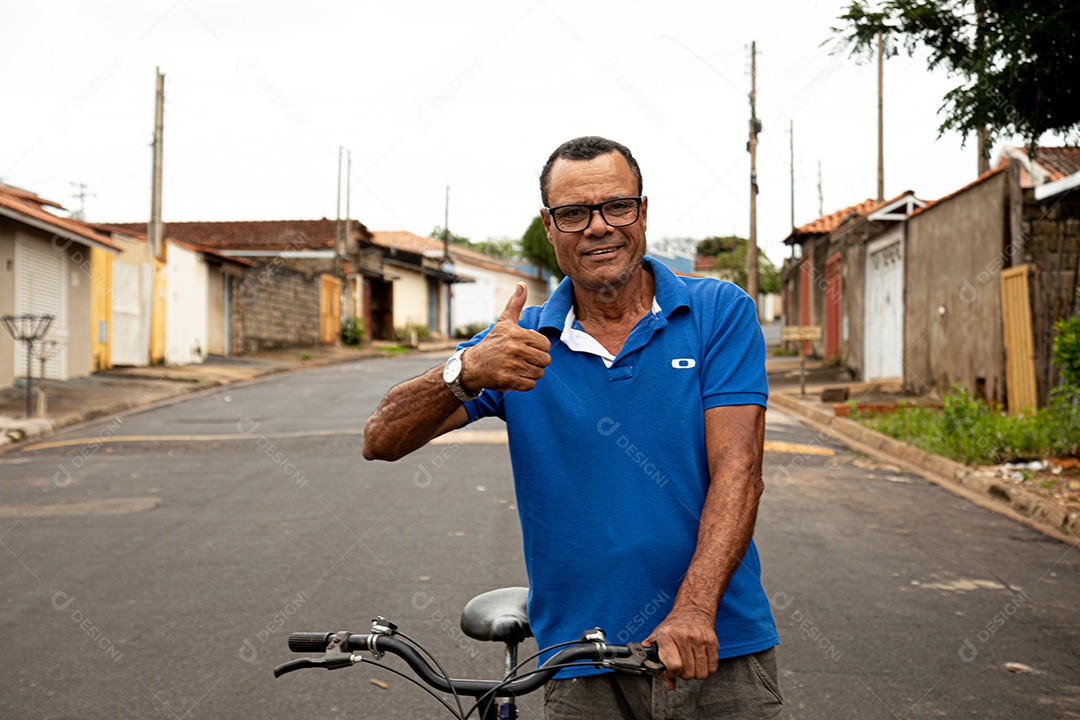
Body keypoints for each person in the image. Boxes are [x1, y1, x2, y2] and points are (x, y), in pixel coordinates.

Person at [363, 136, 781, 718]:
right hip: (579, 661)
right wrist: (465, 370)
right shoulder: (520, 342)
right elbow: (381, 439)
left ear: (642, 212)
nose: (599, 226)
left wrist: (693, 609)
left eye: (617, 206)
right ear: (550, 226)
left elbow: (738, 469)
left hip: (714, 644)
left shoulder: (717, 311)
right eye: (574, 213)